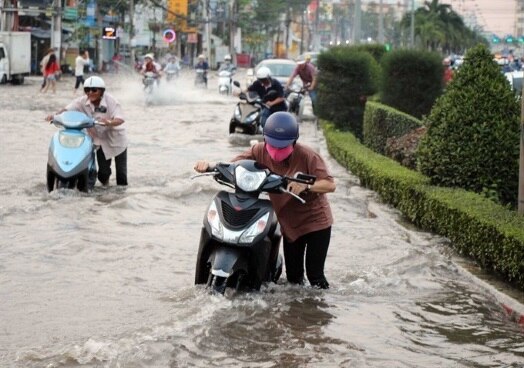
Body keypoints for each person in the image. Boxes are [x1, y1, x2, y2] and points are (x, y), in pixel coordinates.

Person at [194, 112, 336, 289]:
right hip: (289, 224)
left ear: (294, 141)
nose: (276, 151)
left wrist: (306, 186)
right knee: (294, 278)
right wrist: (209, 166)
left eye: (282, 146)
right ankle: (298, 313)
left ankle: (319, 312)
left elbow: (330, 184)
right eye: (272, 145)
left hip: (315, 223)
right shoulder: (258, 150)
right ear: (265, 138)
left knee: (315, 276)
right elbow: (234, 166)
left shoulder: (308, 156)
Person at [46, 76, 128, 186]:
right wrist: (54, 116)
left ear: (101, 91)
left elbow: (120, 119)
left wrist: (108, 122)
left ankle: (120, 198)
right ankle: (107, 192)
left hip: (117, 140)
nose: (90, 93)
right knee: (103, 174)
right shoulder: (81, 101)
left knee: (121, 176)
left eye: (94, 90)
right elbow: (67, 109)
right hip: (100, 141)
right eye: (87, 90)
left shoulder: (111, 101)